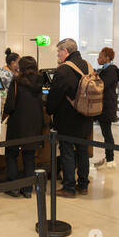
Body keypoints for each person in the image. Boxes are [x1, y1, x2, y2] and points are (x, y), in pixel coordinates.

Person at [46, 38, 93, 198]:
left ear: (65, 51)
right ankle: (83, 185)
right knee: (82, 151)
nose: (58, 54)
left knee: (67, 152)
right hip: (86, 117)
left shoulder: (63, 70)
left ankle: (69, 188)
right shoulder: (88, 66)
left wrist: (49, 110)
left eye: (59, 51)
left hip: (67, 119)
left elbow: (55, 96)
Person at [2, 56, 44, 198]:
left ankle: (13, 187)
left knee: (12, 154)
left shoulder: (16, 82)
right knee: (29, 156)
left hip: (18, 124)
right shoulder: (40, 81)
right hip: (35, 124)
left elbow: (10, 106)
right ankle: (27, 189)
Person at [94, 48, 119, 169]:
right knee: (106, 133)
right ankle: (109, 157)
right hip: (105, 106)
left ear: (106, 58)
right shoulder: (109, 69)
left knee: (107, 133)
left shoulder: (110, 70)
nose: (98, 58)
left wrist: (95, 78)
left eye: (100, 56)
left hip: (106, 107)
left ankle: (110, 159)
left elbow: (101, 85)